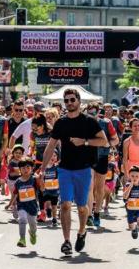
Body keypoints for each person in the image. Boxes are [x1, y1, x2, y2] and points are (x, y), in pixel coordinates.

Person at [40, 88, 108, 256]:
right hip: (65, 169)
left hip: (84, 169)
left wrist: (84, 142)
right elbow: (50, 146)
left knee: (82, 207)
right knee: (65, 205)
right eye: (67, 100)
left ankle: (82, 231)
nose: (69, 103)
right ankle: (66, 241)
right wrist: (42, 169)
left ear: (79, 101)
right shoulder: (61, 123)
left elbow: (103, 141)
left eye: (72, 100)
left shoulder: (89, 121)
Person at [89, 103, 119, 227]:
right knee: (89, 187)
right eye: (89, 113)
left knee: (100, 187)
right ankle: (89, 214)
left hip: (102, 157)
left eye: (94, 113)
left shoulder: (106, 123)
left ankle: (97, 212)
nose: (92, 115)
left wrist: (109, 144)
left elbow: (116, 140)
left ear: (98, 112)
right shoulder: (83, 123)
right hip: (88, 158)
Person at [10, 157, 39, 248]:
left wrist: (40, 179)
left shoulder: (34, 179)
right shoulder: (18, 182)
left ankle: (33, 233)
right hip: (22, 205)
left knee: (32, 224)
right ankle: (22, 239)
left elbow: (42, 189)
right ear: (20, 170)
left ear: (32, 169)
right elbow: (15, 194)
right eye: (23, 168)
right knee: (22, 220)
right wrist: (11, 204)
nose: (25, 170)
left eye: (28, 167)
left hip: (32, 206)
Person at [39, 152, 60, 227]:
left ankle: (54, 219)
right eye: (50, 155)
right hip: (46, 189)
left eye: (55, 156)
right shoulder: (43, 167)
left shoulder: (57, 167)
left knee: (54, 205)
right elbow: (40, 177)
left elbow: (60, 177)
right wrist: (41, 183)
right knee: (47, 201)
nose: (53, 157)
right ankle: (48, 209)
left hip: (55, 189)